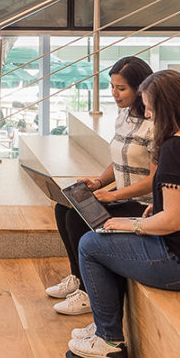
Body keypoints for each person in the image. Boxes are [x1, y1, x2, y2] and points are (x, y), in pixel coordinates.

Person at [67, 70, 180, 358]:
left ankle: (109, 341)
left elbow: (173, 222)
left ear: (167, 108)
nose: (146, 114)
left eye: (149, 108)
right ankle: (102, 325)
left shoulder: (176, 148)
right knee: (107, 237)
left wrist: (131, 224)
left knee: (91, 244)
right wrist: (154, 210)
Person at [45, 56, 155, 316]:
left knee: (76, 218)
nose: (114, 94)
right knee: (64, 208)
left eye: (121, 88)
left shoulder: (155, 124)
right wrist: (98, 182)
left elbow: (154, 179)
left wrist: (112, 195)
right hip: (122, 196)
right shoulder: (124, 115)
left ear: (141, 89)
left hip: (146, 206)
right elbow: (118, 162)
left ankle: (86, 292)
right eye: (112, 86)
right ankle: (76, 279)